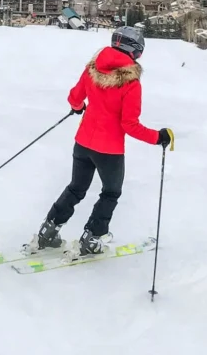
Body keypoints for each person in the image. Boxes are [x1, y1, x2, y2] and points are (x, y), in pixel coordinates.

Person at [35, 26, 173, 256]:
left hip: (83, 143)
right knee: (111, 192)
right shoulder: (131, 83)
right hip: (109, 150)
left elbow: (75, 97)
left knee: (76, 188)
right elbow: (129, 125)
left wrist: (78, 107)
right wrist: (158, 137)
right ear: (134, 51)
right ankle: (92, 238)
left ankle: (49, 230)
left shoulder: (92, 68)